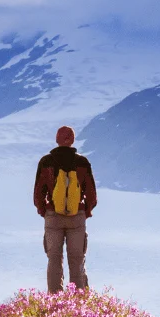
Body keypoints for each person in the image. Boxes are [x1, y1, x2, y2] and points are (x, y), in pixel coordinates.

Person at [33, 125, 97, 293]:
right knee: (76, 261)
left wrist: (45, 212)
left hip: (53, 216)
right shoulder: (82, 163)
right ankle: (78, 303)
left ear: (57, 140)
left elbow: (38, 194)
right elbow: (91, 195)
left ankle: (55, 302)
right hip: (77, 217)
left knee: (54, 259)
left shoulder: (46, 162)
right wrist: (85, 212)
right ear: (73, 140)